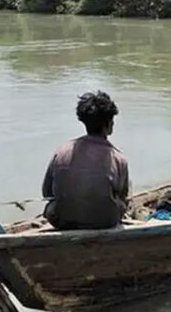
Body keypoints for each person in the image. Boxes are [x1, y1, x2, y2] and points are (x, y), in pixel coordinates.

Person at [41, 90, 130, 230]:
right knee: (123, 201)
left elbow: (47, 193)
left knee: (51, 206)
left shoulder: (62, 151)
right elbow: (122, 196)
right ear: (108, 124)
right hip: (105, 222)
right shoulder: (118, 159)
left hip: (62, 221)